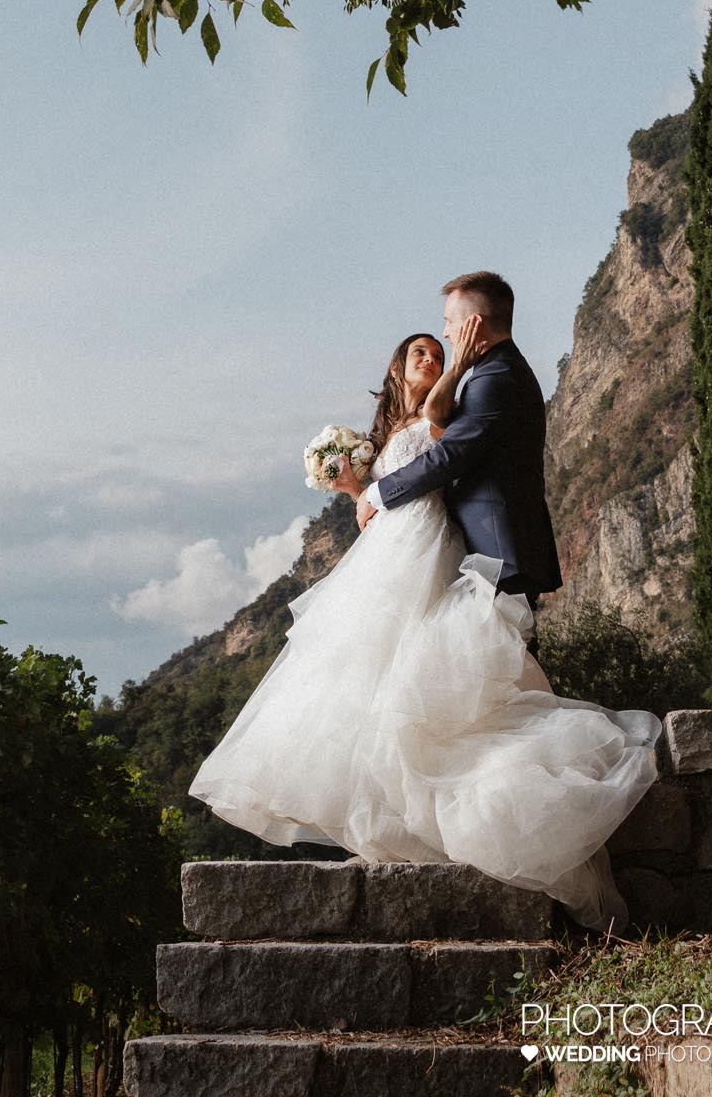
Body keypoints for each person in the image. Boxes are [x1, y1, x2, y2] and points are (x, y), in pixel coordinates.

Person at [186, 272, 662, 932]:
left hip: (478, 551)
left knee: (471, 690)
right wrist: (360, 480)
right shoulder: (479, 376)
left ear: (471, 323)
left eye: (447, 328)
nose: (439, 339)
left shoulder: (492, 379)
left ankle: (523, 827)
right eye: (429, 341)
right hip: (449, 549)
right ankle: (403, 830)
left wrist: (378, 495)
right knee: (430, 681)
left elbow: (451, 452)